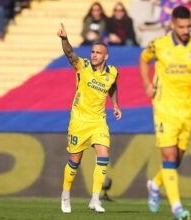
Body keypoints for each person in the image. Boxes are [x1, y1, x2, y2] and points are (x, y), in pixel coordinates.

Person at [139, 6, 191, 220]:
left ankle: (155, 184)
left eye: (188, 26)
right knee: (169, 156)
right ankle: (177, 208)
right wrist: (147, 84)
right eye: (181, 27)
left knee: (177, 159)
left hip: (188, 108)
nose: (185, 30)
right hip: (164, 107)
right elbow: (143, 59)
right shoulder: (159, 45)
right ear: (172, 25)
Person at [57, 23, 122, 214]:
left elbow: (112, 87)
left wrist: (115, 105)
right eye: (92, 51)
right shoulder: (83, 66)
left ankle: (95, 199)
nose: (93, 55)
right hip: (79, 121)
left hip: (98, 121)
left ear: (106, 56)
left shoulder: (112, 72)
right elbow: (70, 54)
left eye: (98, 53)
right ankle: (65, 194)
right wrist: (64, 40)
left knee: (104, 156)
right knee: (74, 162)